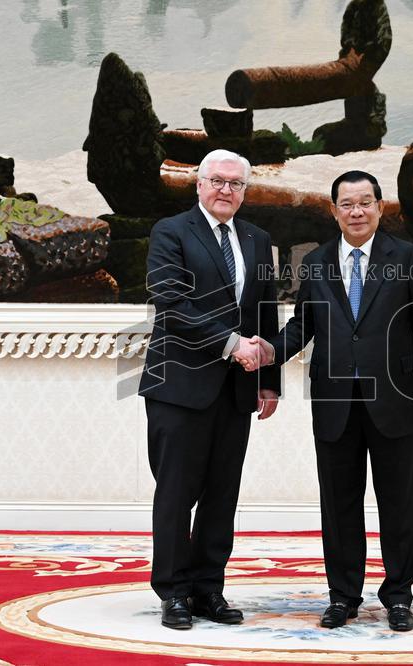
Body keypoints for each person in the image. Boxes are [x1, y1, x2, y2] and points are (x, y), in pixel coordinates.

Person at [243, 170, 413, 632]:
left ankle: (398, 596)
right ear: (333, 211)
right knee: (338, 504)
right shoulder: (315, 262)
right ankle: (343, 596)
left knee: (398, 502)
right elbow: (302, 328)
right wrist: (268, 355)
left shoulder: (405, 256)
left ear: (379, 207)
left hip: (394, 399)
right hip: (334, 402)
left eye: (365, 202)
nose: (356, 211)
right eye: (346, 204)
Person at [139, 149, 279, 630]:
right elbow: (170, 302)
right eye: (217, 181)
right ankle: (174, 592)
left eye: (235, 184)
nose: (225, 190)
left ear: (245, 191)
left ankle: (209, 589)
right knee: (177, 493)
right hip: (178, 385)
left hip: (237, 390)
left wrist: (269, 380)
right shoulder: (171, 232)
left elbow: (265, 311)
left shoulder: (258, 240)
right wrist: (229, 342)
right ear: (198, 185)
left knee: (223, 493)